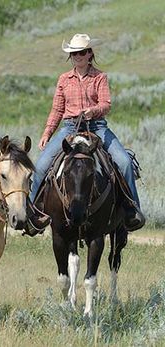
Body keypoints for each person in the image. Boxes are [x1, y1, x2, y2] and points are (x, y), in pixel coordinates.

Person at [30, 33, 145, 232]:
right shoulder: (64, 79)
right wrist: (47, 133)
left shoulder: (100, 77)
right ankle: (32, 213)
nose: (78, 56)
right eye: (74, 53)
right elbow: (57, 109)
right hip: (69, 127)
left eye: (82, 52)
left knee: (124, 161)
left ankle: (132, 209)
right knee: (40, 166)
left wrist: (94, 111)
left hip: (97, 127)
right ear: (70, 56)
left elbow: (106, 104)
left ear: (89, 54)